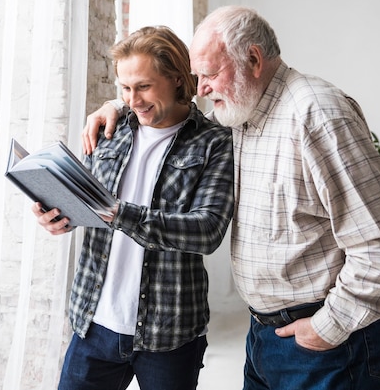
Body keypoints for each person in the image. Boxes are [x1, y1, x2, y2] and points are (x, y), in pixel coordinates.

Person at [82, 6, 380, 390]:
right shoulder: (243, 111)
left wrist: (330, 326)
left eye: (209, 74)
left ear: (254, 60)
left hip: (329, 340)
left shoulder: (316, 113)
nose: (202, 88)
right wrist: (116, 106)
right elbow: (167, 109)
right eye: (197, 76)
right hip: (265, 333)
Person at [32, 26, 234, 390]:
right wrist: (59, 215)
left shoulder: (214, 143)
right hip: (93, 323)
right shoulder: (110, 128)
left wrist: (119, 212)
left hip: (169, 332)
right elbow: (86, 201)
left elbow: (208, 230)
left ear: (176, 78)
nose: (133, 99)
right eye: (124, 89)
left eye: (143, 86)